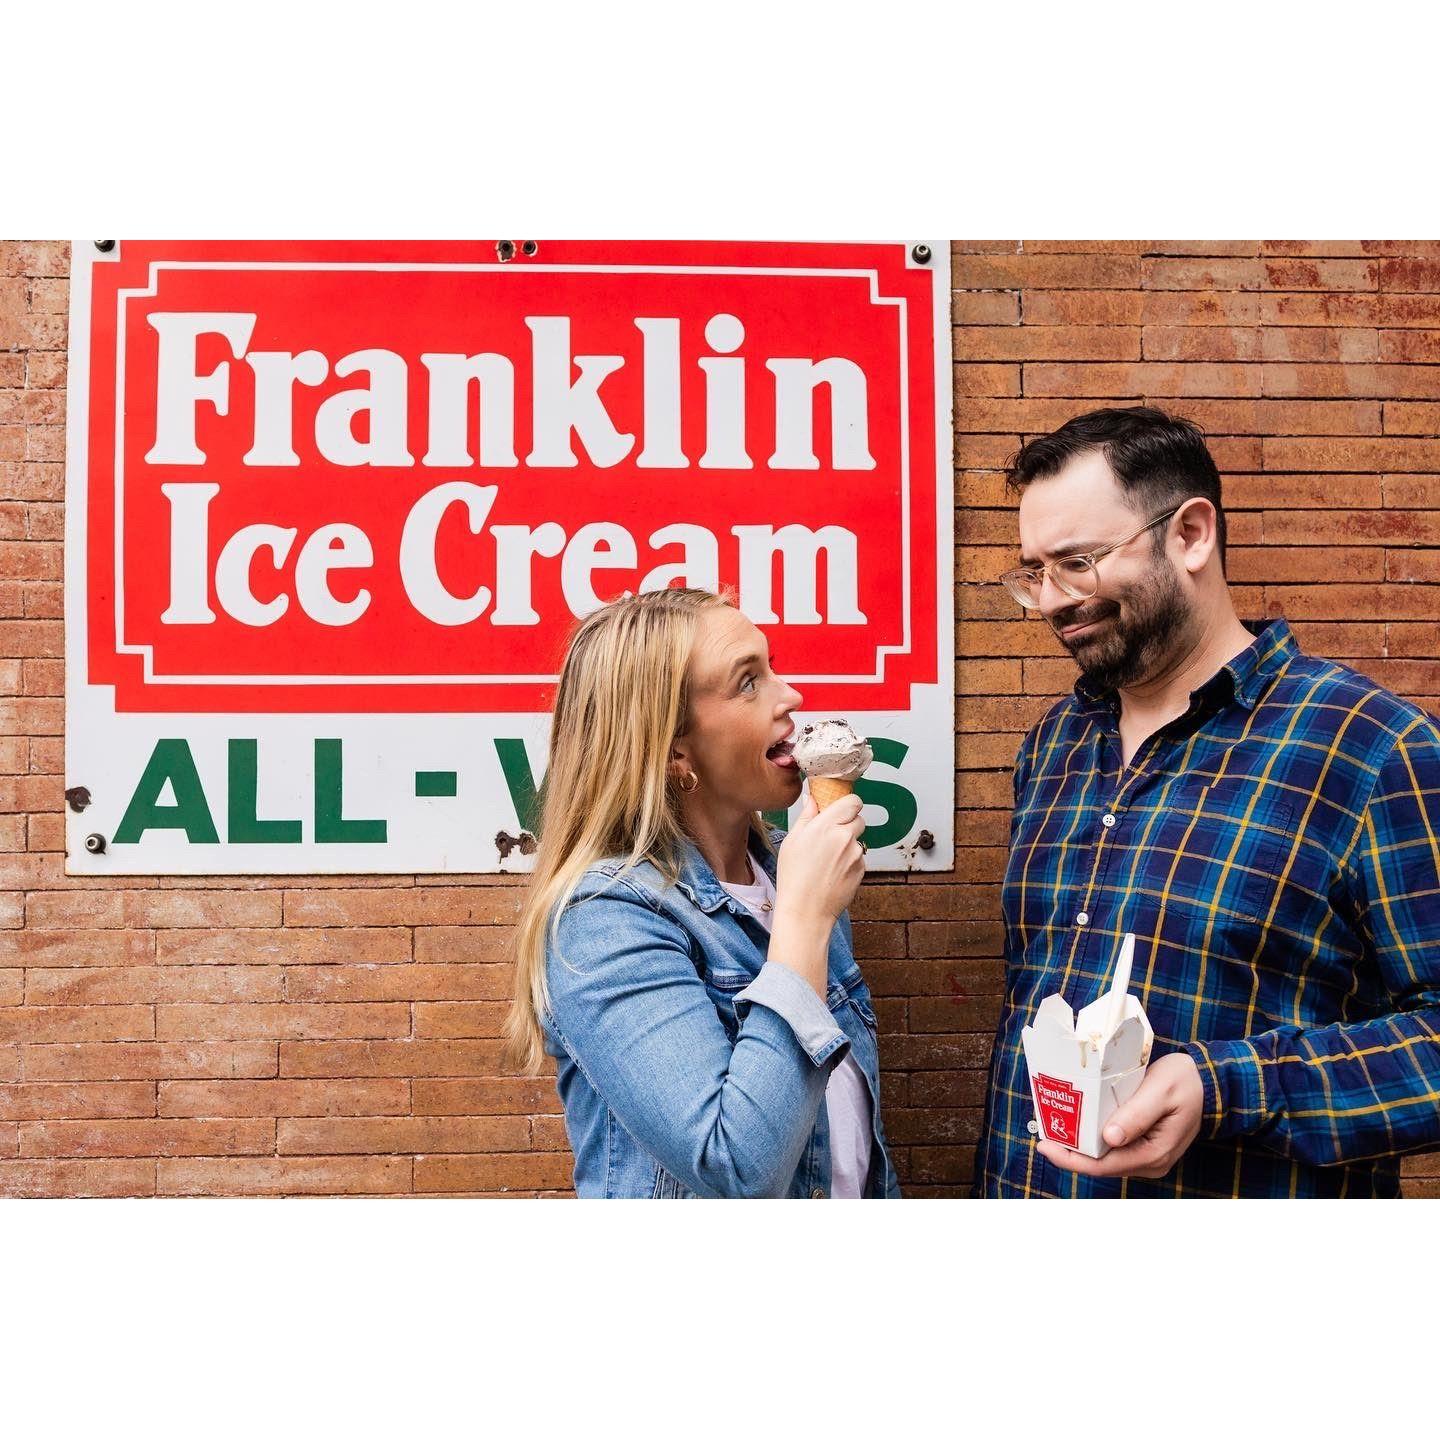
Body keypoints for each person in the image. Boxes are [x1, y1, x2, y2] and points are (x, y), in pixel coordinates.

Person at [974, 405, 1440, 1198]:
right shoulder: (1053, 745)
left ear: (1190, 534)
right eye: (1035, 573)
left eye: (1078, 562)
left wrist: (1228, 1087)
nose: (1051, 601)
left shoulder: (1373, 748)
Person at [504, 586, 901, 1198]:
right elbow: (737, 1168)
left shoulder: (783, 876)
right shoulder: (602, 921)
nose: (789, 695)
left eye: (770, 668)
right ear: (671, 749)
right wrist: (803, 921)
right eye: (748, 682)